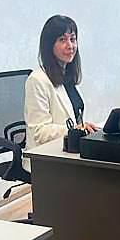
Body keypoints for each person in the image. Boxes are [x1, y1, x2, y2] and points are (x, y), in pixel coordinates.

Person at [25, 14, 97, 147]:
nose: (70, 46)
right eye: (62, 40)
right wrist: (74, 130)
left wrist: (82, 128)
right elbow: (39, 131)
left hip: (69, 148)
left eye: (73, 39)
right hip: (45, 155)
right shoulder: (37, 80)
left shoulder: (67, 76)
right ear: (49, 45)